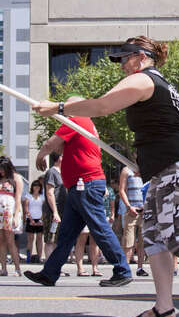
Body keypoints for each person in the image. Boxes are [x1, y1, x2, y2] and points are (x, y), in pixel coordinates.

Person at [32, 36, 179, 317]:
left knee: (177, 239)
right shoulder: (157, 84)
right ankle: (164, 307)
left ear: (141, 57)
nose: (122, 66)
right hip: (167, 169)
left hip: (178, 169)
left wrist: (58, 108)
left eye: (125, 59)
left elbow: (101, 107)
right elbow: (160, 130)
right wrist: (147, 163)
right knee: (154, 239)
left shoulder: (144, 80)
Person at [26, 97, 132, 286]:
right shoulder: (87, 123)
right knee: (67, 235)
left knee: (99, 227)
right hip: (81, 185)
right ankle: (49, 273)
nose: (64, 111)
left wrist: (41, 155)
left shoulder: (76, 120)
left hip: (85, 184)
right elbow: (61, 145)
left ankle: (122, 270)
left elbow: (50, 144)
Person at [0, 156, 24, 276]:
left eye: (3, 168)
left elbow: (19, 197)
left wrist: (16, 215)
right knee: (1, 241)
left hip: (9, 210)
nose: (1, 171)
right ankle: (3, 268)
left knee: (10, 240)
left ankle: (17, 268)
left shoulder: (16, 178)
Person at [118, 159, 148, 276]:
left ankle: (140, 268)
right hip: (132, 210)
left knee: (142, 242)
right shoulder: (126, 170)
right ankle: (126, 268)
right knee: (128, 242)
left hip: (144, 210)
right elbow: (121, 190)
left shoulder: (146, 170)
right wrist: (129, 206)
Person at [42, 153, 66, 260]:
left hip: (63, 210)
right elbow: (49, 193)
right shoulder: (52, 172)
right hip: (52, 212)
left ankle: (55, 267)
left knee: (58, 240)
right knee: (50, 239)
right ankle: (49, 266)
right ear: (59, 158)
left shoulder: (64, 172)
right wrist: (55, 212)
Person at [24, 179, 45, 264]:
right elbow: (26, 208)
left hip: (40, 218)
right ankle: (29, 257)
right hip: (31, 218)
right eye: (35, 186)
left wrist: (42, 219)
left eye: (38, 186)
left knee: (39, 238)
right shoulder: (28, 196)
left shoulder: (42, 197)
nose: (36, 188)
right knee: (30, 239)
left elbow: (44, 208)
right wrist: (30, 219)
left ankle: (39, 257)